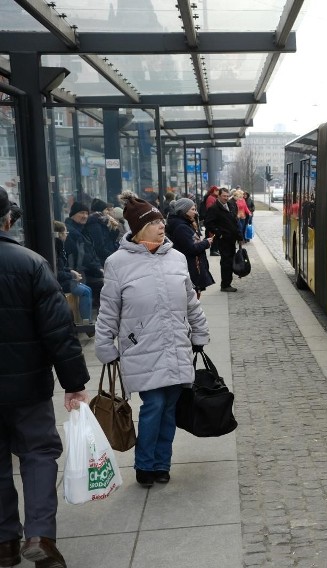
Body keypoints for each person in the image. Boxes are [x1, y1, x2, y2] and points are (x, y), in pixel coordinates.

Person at [0, 188, 90, 568]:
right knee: (38, 454)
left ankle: (4, 544)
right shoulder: (31, 264)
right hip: (28, 387)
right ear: (8, 219)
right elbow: (59, 331)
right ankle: (40, 537)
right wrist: (74, 383)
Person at [94, 191, 209, 488]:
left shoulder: (177, 258)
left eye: (161, 221)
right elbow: (109, 309)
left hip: (175, 344)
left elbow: (190, 301)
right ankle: (145, 465)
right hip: (141, 346)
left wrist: (199, 331)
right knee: (155, 404)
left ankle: (162, 463)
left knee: (170, 405)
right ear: (139, 228)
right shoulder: (117, 263)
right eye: (155, 222)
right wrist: (105, 345)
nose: (162, 226)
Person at [165, 198, 215, 298]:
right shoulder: (181, 227)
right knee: (193, 297)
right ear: (184, 210)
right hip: (189, 267)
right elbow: (191, 249)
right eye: (192, 209)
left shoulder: (183, 223)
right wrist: (206, 243)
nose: (195, 212)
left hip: (189, 266)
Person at [64, 201, 105, 304]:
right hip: (79, 272)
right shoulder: (72, 232)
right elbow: (83, 257)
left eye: (86, 213)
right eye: (81, 213)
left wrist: (99, 267)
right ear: (73, 214)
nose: (85, 216)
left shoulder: (82, 230)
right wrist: (98, 269)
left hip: (87, 271)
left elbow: (92, 252)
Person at [54, 220, 94, 324]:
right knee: (86, 291)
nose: (66, 236)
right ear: (60, 234)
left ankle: (86, 321)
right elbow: (57, 272)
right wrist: (71, 275)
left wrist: (70, 271)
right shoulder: (57, 247)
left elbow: (61, 267)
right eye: (65, 233)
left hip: (63, 279)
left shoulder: (57, 246)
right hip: (59, 283)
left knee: (87, 289)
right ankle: (87, 322)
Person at [204, 187, 242, 292]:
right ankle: (225, 285)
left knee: (230, 260)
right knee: (226, 262)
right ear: (219, 196)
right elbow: (208, 223)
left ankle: (227, 283)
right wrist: (219, 233)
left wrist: (239, 236)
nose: (226, 198)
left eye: (227, 196)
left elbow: (235, 222)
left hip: (232, 239)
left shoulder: (230, 205)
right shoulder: (214, 208)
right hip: (223, 240)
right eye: (224, 196)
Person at [85, 198, 121, 264]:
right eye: (105, 209)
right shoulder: (95, 224)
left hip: (107, 257)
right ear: (100, 210)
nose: (107, 212)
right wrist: (113, 256)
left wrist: (114, 229)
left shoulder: (102, 222)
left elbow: (110, 239)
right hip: (103, 260)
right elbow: (99, 247)